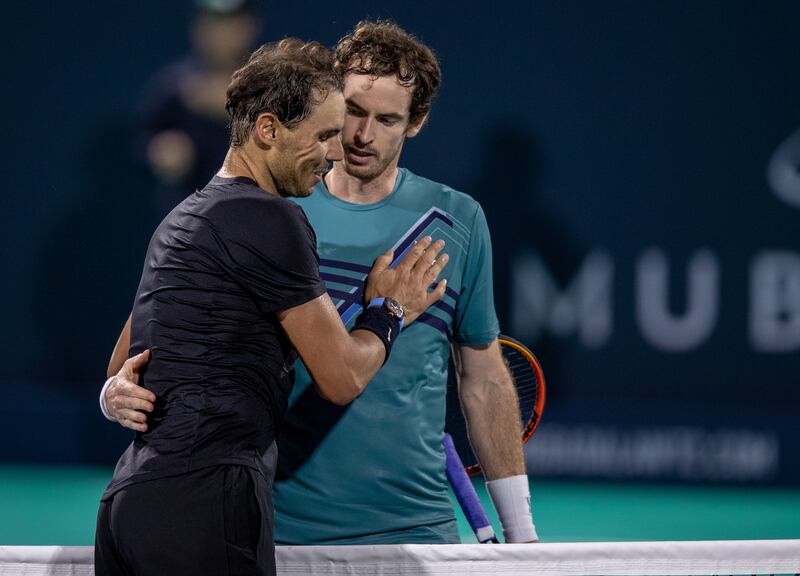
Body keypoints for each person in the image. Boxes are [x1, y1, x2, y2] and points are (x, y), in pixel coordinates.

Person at [102, 20, 538, 546]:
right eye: (351, 113)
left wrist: (522, 535)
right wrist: (114, 392)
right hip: (276, 527)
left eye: (386, 120)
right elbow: (143, 345)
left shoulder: (459, 220)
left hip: (417, 529)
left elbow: (484, 380)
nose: (360, 136)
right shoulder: (264, 211)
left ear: (416, 122)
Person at [137, 0, 262, 217]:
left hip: (257, 217)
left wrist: (234, 106)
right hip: (191, 223)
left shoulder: (271, 82)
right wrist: (163, 152)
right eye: (211, 23)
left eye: (229, 24)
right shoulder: (172, 87)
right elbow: (148, 141)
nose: (219, 34)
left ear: (249, 26)